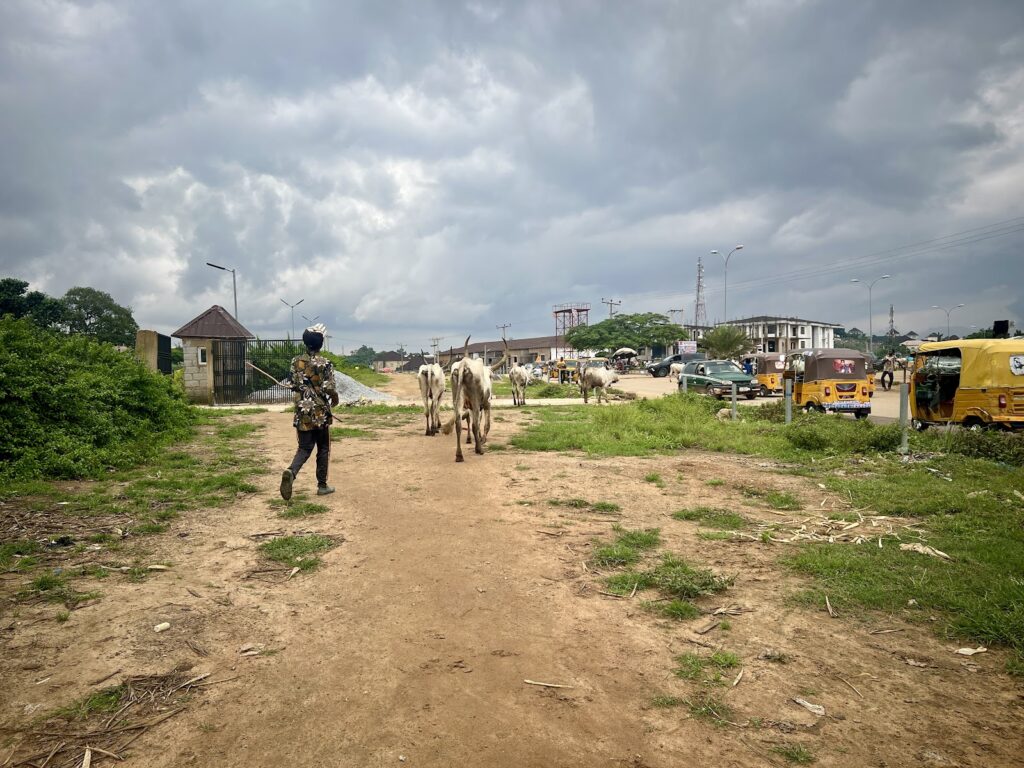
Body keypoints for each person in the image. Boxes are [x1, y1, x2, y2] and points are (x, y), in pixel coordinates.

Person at [280, 323, 339, 500]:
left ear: (305, 343)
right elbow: (329, 388)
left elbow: (293, 384)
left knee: (304, 448)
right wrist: (334, 398)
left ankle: (291, 471)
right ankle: (322, 485)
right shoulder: (325, 364)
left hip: (302, 412)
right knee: (323, 448)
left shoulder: (295, 362)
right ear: (321, 344)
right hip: (320, 412)